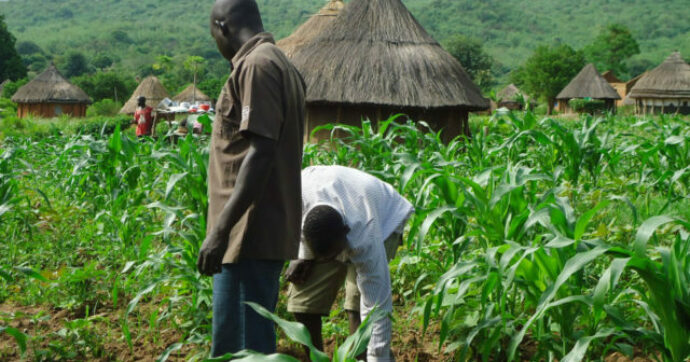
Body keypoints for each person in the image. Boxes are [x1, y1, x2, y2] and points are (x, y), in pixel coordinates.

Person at [196, 0, 306, 357]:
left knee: (240, 348)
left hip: (247, 235)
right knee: (247, 341)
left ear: (221, 26)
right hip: (251, 233)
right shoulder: (277, 63)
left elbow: (261, 152)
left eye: (213, 33)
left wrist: (221, 230)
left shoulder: (258, 66)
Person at [286, 165, 414, 362]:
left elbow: (376, 307)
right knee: (302, 302)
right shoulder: (296, 196)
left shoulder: (365, 235)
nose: (335, 261)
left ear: (346, 233)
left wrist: (377, 358)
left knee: (358, 307)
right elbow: (297, 228)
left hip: (385, 218)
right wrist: (302, 256)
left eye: (336, 254)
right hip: (324, 209)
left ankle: (359, 358)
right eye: (325, 259)